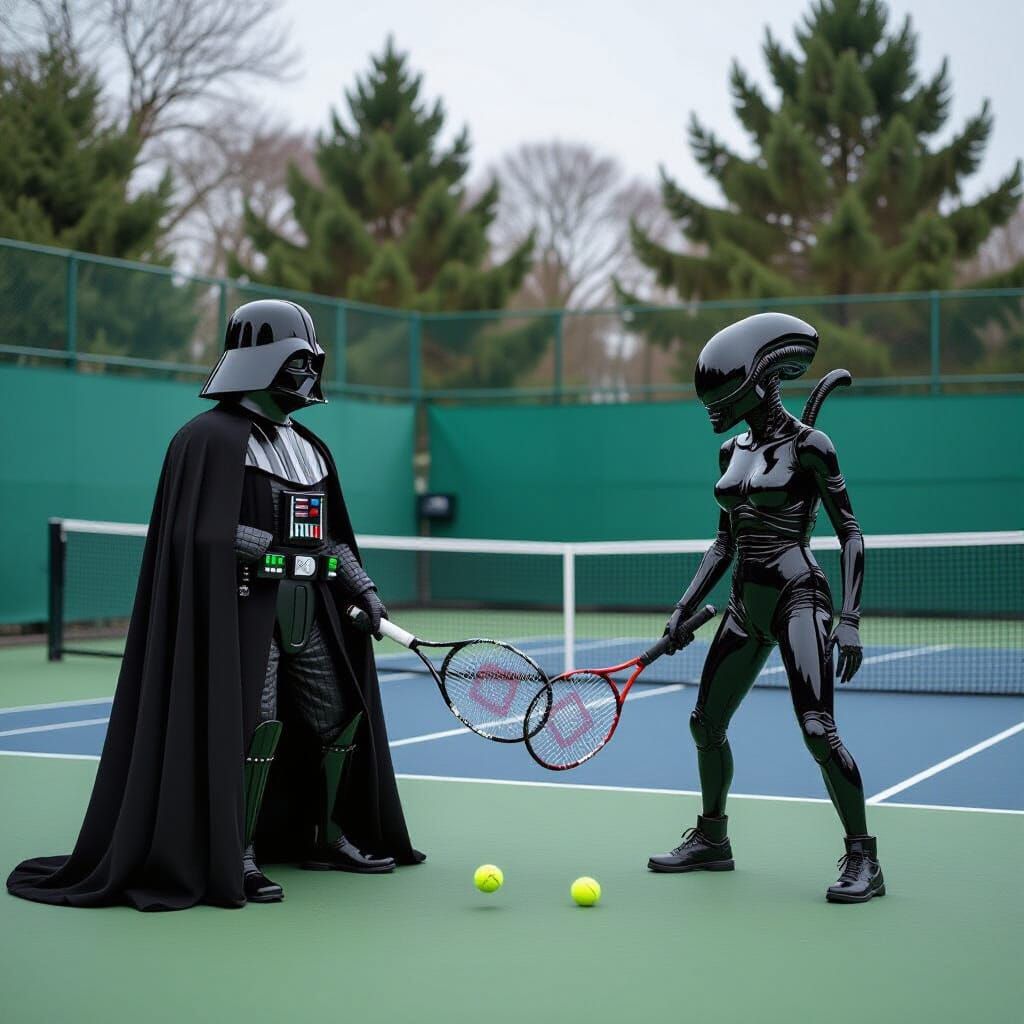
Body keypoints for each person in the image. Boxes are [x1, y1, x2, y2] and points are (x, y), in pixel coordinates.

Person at [8, 299, 422, 911]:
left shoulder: (311, 448)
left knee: (340, 716)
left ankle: (327, 836)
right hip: (243, 614)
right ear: (264, 361)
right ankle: (240, 850)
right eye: (298, 360)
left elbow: (331, 537)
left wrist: (359, 588)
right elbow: (199, 533)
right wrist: (275, 553)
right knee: (254, 725)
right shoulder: (205, 441)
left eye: (311, 361)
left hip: (310, 613)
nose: (307, 374)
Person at [648, 312, 884, 904]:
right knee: (705, 724)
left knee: (817, 730)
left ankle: (864, 859)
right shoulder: (731, 449)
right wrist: (683, 607)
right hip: (741, 606)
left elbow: (851, 533)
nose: (711, 412)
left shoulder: (813, 447)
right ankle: (712, 840)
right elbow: (725, 542)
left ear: (756, 384)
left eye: (719, 398)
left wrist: (850, 619)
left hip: (798, 596)